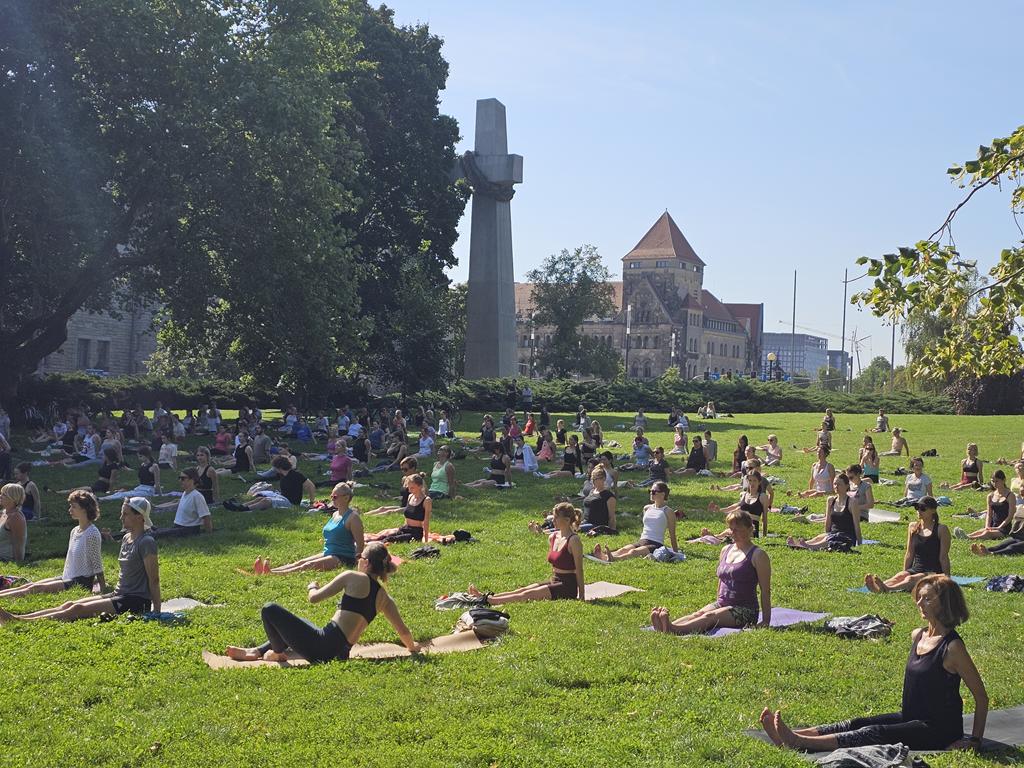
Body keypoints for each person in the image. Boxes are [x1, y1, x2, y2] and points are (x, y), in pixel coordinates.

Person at [760, 575, 987, 753]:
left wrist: (974, 740)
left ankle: (800, 742)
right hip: (911, 717)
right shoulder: (917, 635)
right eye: (919, 596)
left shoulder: (953, 648)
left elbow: (981, 697)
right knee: (859, 722)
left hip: (938, 731)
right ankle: (796, 733)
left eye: (927, 598)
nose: (919, 602)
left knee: (874, 731)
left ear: (945, 604)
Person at [225, 542, 419, 663]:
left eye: (360, 557)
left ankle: (276, 653)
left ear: (366, 562)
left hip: (322, 648)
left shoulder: (352, 576)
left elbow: (314, 599)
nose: (358, 560)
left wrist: (312, 586)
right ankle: (257, 650)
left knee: (270, 610)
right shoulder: (385, 598)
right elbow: (403, 631)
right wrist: (413, 648)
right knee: (299, 621)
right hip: (340, 653)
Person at [0, 497, 160, 624]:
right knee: (69, 604)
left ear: (139, 517)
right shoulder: (126, 538)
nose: (121, 517)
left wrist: (157, 612)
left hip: (135, 601)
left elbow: (154, 580)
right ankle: (19, 618)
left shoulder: (146, 542)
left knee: (77, 609)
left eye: (126, 514)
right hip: (119, 594)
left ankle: (20, 621)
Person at [651, 511, 771, 634]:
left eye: (738, 530)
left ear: (750, 529)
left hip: (745, 610)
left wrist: (766, 620)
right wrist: (718, 603)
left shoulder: (758, 555)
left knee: (710, 616)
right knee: (699, 614)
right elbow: (721, 580)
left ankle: (674, 629)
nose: (733, 533)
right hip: (722, 603)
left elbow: (765, 590)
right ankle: (665, 626)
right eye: (731, 529)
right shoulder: (725, 550)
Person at [469, 502, 584, 604]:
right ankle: (487, 596)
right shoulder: (553, 537)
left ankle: (489, 601)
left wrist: (582, 596)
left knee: (527, 595)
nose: (553, 520)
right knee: (522, 590)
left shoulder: (574, 540)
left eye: (556, 518)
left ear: (567, 520)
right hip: (555, 580)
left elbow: (579, 569)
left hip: (567, 586)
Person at [0, 490, 105, 597]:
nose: (70, 510)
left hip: (81, 581)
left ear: (84, 509)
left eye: (73, 507)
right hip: (68, 576)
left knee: (36, 588)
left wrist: (103, 587)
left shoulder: (92, 533)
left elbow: (97, 563)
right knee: (33, 585)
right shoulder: (75, 530)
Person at [259, 483, 365, 574]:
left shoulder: (353, 517)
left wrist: (357, 563)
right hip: (329, 552)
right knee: (300, 562)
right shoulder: (335, 514)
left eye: (335, 496)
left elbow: (360, 544)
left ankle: (273, 574)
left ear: (346, 498)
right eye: (331, 495)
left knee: (308, 565)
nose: (332, 499)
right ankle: (272, 570)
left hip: (343, 557)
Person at [866, 497, 950, 592]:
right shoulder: (913, 527)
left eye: (923, 508)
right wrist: (905, 571)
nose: (919, 510)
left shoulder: (941, 529)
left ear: (933, 510)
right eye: (917, 507)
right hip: (916, 568)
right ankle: (878, 587)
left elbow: (943, 557)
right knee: (900, 576)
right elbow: (909, 553)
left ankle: (888, 588)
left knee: (910, 579)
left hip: (934, 571)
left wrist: (947, 578)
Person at [594, 481, 678, 561]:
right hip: (643, 540)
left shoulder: (668, 511)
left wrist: (675, 553)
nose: (651, 493)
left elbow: (672, 534)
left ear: (663, 494)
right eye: (650, 491)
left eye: (654, 491)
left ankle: (615, 559)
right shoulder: (647, 508)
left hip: (656, 544)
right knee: (623, 550)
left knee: (633, 552)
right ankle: (603, 556)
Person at [787, 474, 863, 551]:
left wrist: (859, 543)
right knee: (819, 537)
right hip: (833, 534)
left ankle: (807, 546)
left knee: (830, 539)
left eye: (839, 484)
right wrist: (826, 534)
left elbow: (857, 525)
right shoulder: (831, 500)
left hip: (847, 536)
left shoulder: (852, 502)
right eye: (834, 484)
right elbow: (828, 522)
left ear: (847, 486)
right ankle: (799, 544)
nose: (836, 486)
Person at [366, 473, 432, 543]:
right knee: (384, 536)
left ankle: (373, 545)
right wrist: (402, 529)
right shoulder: (410, 497)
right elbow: (407, 517)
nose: (409, 490)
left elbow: (426, 522)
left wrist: (426, 540)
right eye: (408, 488)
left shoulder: (426, 500)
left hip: (416, 532)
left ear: (420, 486)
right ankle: (368, 542)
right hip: (406, 528)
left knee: (391, 539)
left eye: (412, 488)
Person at [710, 470, 771, 537]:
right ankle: (712, 537)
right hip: (738, 526)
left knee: (727, 533)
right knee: (726, 532)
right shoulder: (744, 495)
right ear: (747, 481)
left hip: (750, 529)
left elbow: (764, 518)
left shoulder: (763, 497)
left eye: (754, 481)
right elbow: (735, 506)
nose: (752, 483)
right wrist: (720, 510)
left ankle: (713, 537)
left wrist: (764, 536)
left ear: (759, 482)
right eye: (750, 480)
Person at [959, 470, 1015, 541]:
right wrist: (987, 526)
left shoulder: (1010, 495)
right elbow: (989, 514)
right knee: (983, 531)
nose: (994, 484)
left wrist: (999, 527)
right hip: (993, 525)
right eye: (993, 481)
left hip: (1004, 528)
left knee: (987, 533)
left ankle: (968, 538)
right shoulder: (990, 496)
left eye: (997, 481)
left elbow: (1010, 516)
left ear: (1004, 480)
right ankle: (965, 536)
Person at [580, 467, 617, 535]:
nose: (594, 481)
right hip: (585, 522)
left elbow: (611, 516)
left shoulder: (608, 496)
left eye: (596, 479)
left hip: (596, 525)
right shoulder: (592, 491)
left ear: (603, 479)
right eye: (593, 479)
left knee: (574, 529)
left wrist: (612, 530)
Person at [0, 483, 28, 563]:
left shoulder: (16, 517)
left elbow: (19, 544)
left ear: (13, 498)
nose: (0, 496)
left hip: (5, 559)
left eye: (4, 494)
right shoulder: (4, 513)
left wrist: (18, 563)